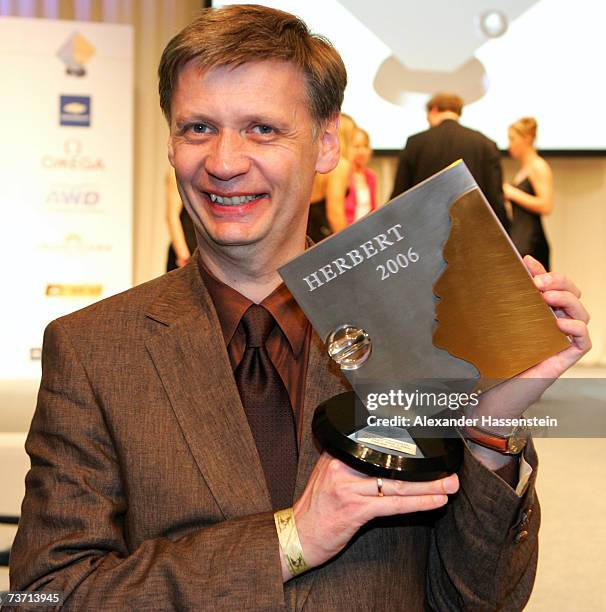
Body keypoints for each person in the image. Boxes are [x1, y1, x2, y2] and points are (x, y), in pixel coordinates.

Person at [9, 5, 590, 610]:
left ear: (326, 143)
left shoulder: (423, 332)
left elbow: (479, 600)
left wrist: (489, 426)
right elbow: (45, 596)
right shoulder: (93, 350)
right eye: (197, 128)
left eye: (262, 129)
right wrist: (291, 540)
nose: (224, 162)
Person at [391, 92, 509, 231]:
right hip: (473, 230)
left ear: (433, 110)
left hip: (426, 230)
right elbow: (495, 197)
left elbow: (400, 195)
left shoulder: (415, 143)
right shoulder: (485, 144)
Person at [503, 117, 552, 270]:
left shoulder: (538, 166)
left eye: (512, 139)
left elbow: (546, 205)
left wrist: (512, 193)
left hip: (532, 240)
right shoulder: (526, 169)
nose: (509, 145)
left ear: (527, 139)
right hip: (522, 236)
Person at [307, 112, 355, 240]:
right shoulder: (340, 165)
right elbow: (335, 213)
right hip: (321, 234)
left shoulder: (319, 159)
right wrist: (349, 245)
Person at [165, 169, 198, 271]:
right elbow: (172, 215)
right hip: (187, 249)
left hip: (203, 250)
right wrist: (183, 255)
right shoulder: (178, 173)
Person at [344, 127, 378, 224]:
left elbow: (373, 209)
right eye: (357, 147)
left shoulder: (371, 176)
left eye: (365, 146)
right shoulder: (343, 176)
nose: (362, 151)